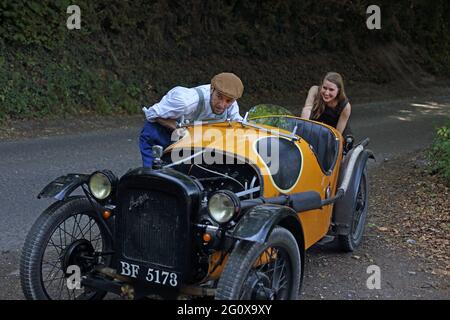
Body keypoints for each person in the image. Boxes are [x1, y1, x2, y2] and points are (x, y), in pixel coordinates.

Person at [139, 72, 244, 167]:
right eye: (219, 97)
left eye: (228, 101)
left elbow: (239, 125)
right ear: (212, 89)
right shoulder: (187, 101)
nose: (222, 105)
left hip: (186, 141)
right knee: (154, 178)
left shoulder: (231, 105)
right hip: (159, 134)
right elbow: (152, 114)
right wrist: (180, 129)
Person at [301, 72, 352, 136]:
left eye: (331, 90)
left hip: (337, 133)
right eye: (324, 88)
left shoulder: (345, 106)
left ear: (338, 90)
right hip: (317, 130)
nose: (326, 93)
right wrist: (303, 128)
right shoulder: (314, 91)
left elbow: (338, 135)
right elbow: (307, 109)